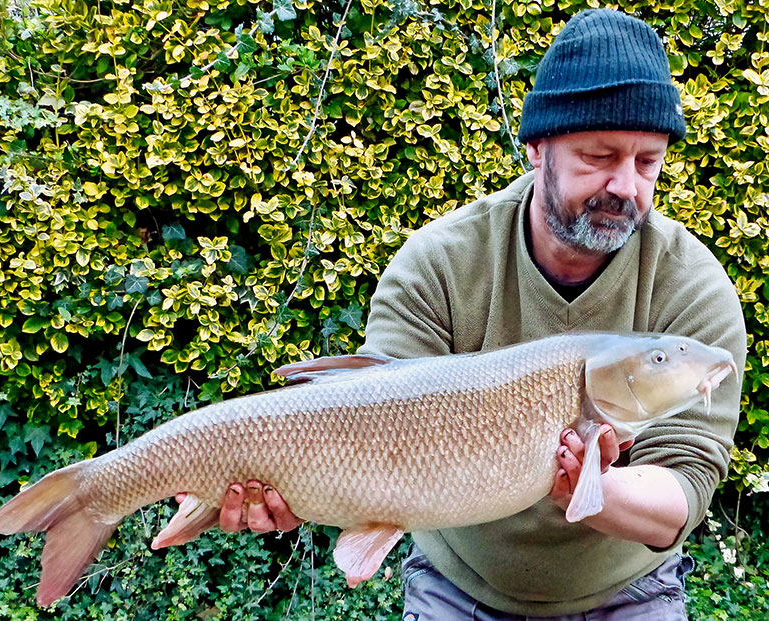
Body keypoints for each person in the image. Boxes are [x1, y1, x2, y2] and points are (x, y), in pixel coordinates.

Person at [178, 8, 747, 619]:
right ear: (536, 147)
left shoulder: (692, 289)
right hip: (460, 584)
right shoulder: (441, 262)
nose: (626, 186)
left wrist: (587, 488)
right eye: (597, 156)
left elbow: (684, 488)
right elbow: (368, 416)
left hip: (626, 590)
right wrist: (286, 482)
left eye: (647, 161)